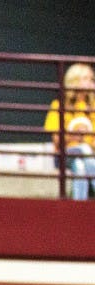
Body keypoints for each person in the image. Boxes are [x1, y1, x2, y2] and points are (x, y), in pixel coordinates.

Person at [43, 62, 95, 199]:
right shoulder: (58, 105)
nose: (91, 83)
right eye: (86, 79)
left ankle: (79, 207)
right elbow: (57, 140)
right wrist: (78, 136)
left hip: (89, 155)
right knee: (84, 150)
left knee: (80, 166)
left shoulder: (93, 106)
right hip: (64, 155)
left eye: (92, 79)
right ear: (74, 81)